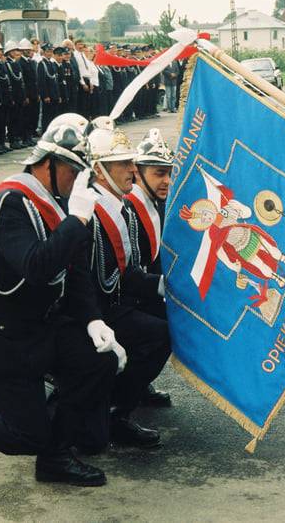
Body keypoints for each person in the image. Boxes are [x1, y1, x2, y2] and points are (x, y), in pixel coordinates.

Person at [0, 122, 125, 487]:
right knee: (26, 435)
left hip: (42, 325)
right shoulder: (11, 202)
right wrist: (77, 220)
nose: (77, 181)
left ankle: (55, 457)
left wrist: (93, 320)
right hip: (2, 333)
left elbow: (75, 270)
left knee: (97, 362)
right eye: (73, 171)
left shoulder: (61, 202)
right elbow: (36, 266)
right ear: (48, 164)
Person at [85, 118, 172, 444]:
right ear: (99, 170)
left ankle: (135, 388)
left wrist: (163, 285)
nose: (131, 171)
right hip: (94, 309)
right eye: (123, 164)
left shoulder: (120, 205)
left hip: (115, 298)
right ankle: (116, 412)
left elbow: (130, 268)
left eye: (131, 163)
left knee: (168, 318)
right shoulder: (91, 210)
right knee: (159, 333)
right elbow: (97, 278)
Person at [124, 128, 175, 407]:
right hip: (122, 298)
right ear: (138, 172)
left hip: (142, 291)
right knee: (162, 332)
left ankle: (138, 384)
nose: (167, 180)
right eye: (159, 173)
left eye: (169, 173)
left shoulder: (157, 203)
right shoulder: (128, 207)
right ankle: (120, 402)